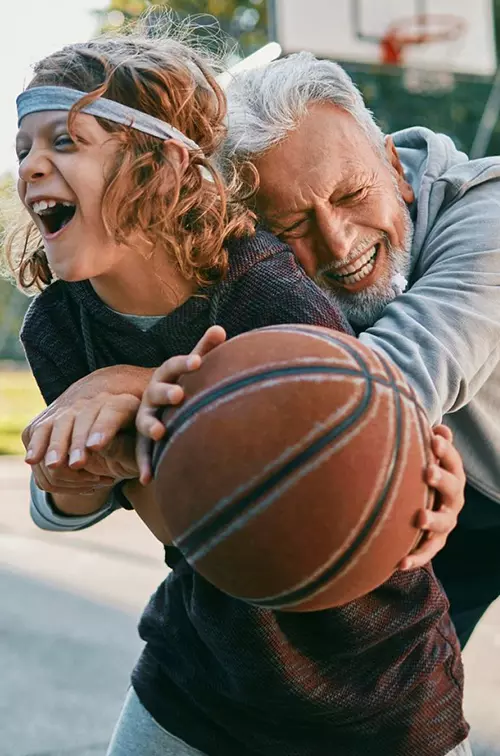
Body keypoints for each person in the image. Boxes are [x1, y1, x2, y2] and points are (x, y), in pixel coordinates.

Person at [8, 28, 470, 756]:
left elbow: (367, 449)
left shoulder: (265, 291)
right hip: (199, 681)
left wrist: (418, 480)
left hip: (378, 692)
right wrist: (91, 473)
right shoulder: (60, 327)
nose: (31, 165)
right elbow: (188, 535)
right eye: (22, 147)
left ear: (154, 164)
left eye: (64, 143)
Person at [221, 51, 500, 649]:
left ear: (395, 167)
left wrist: (160, 396)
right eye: (291, 225)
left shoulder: (491, 213)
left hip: (446, 453)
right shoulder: (255, 268)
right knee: (379, 691)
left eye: (350, 195)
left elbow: (388, 385)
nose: (336, 240)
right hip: (444, 488)